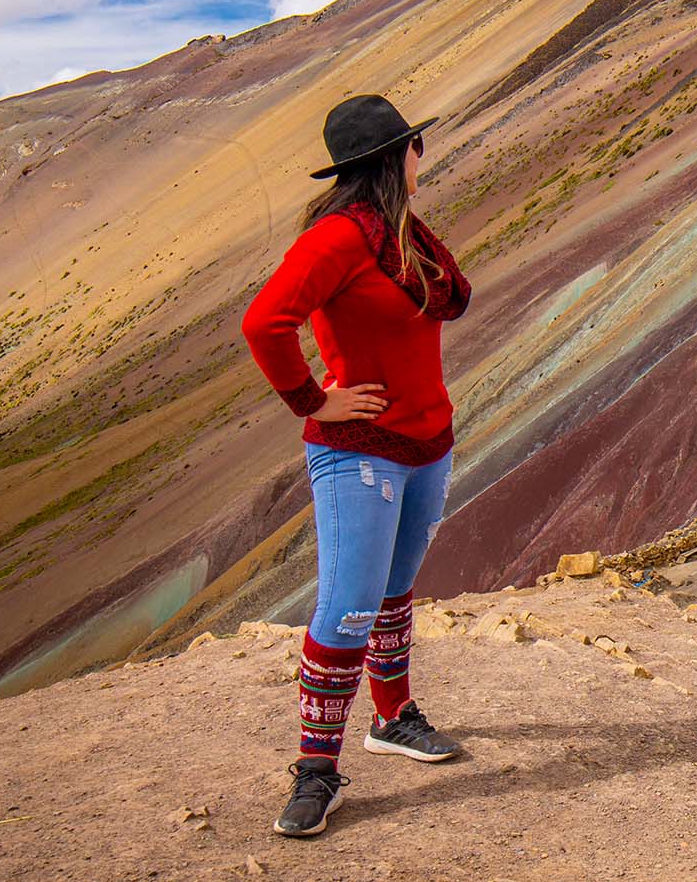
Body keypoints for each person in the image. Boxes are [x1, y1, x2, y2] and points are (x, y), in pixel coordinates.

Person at [242, 94, 470, 838]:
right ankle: (316, 770)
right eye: (416, 147)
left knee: (395, 591)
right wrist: (314, 399)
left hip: (427, 443)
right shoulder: (339, 238)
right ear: (393, 157)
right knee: (347, 606)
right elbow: (264, 321)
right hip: (360, 450)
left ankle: (393, 717)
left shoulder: (402, 232)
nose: (421, 157)